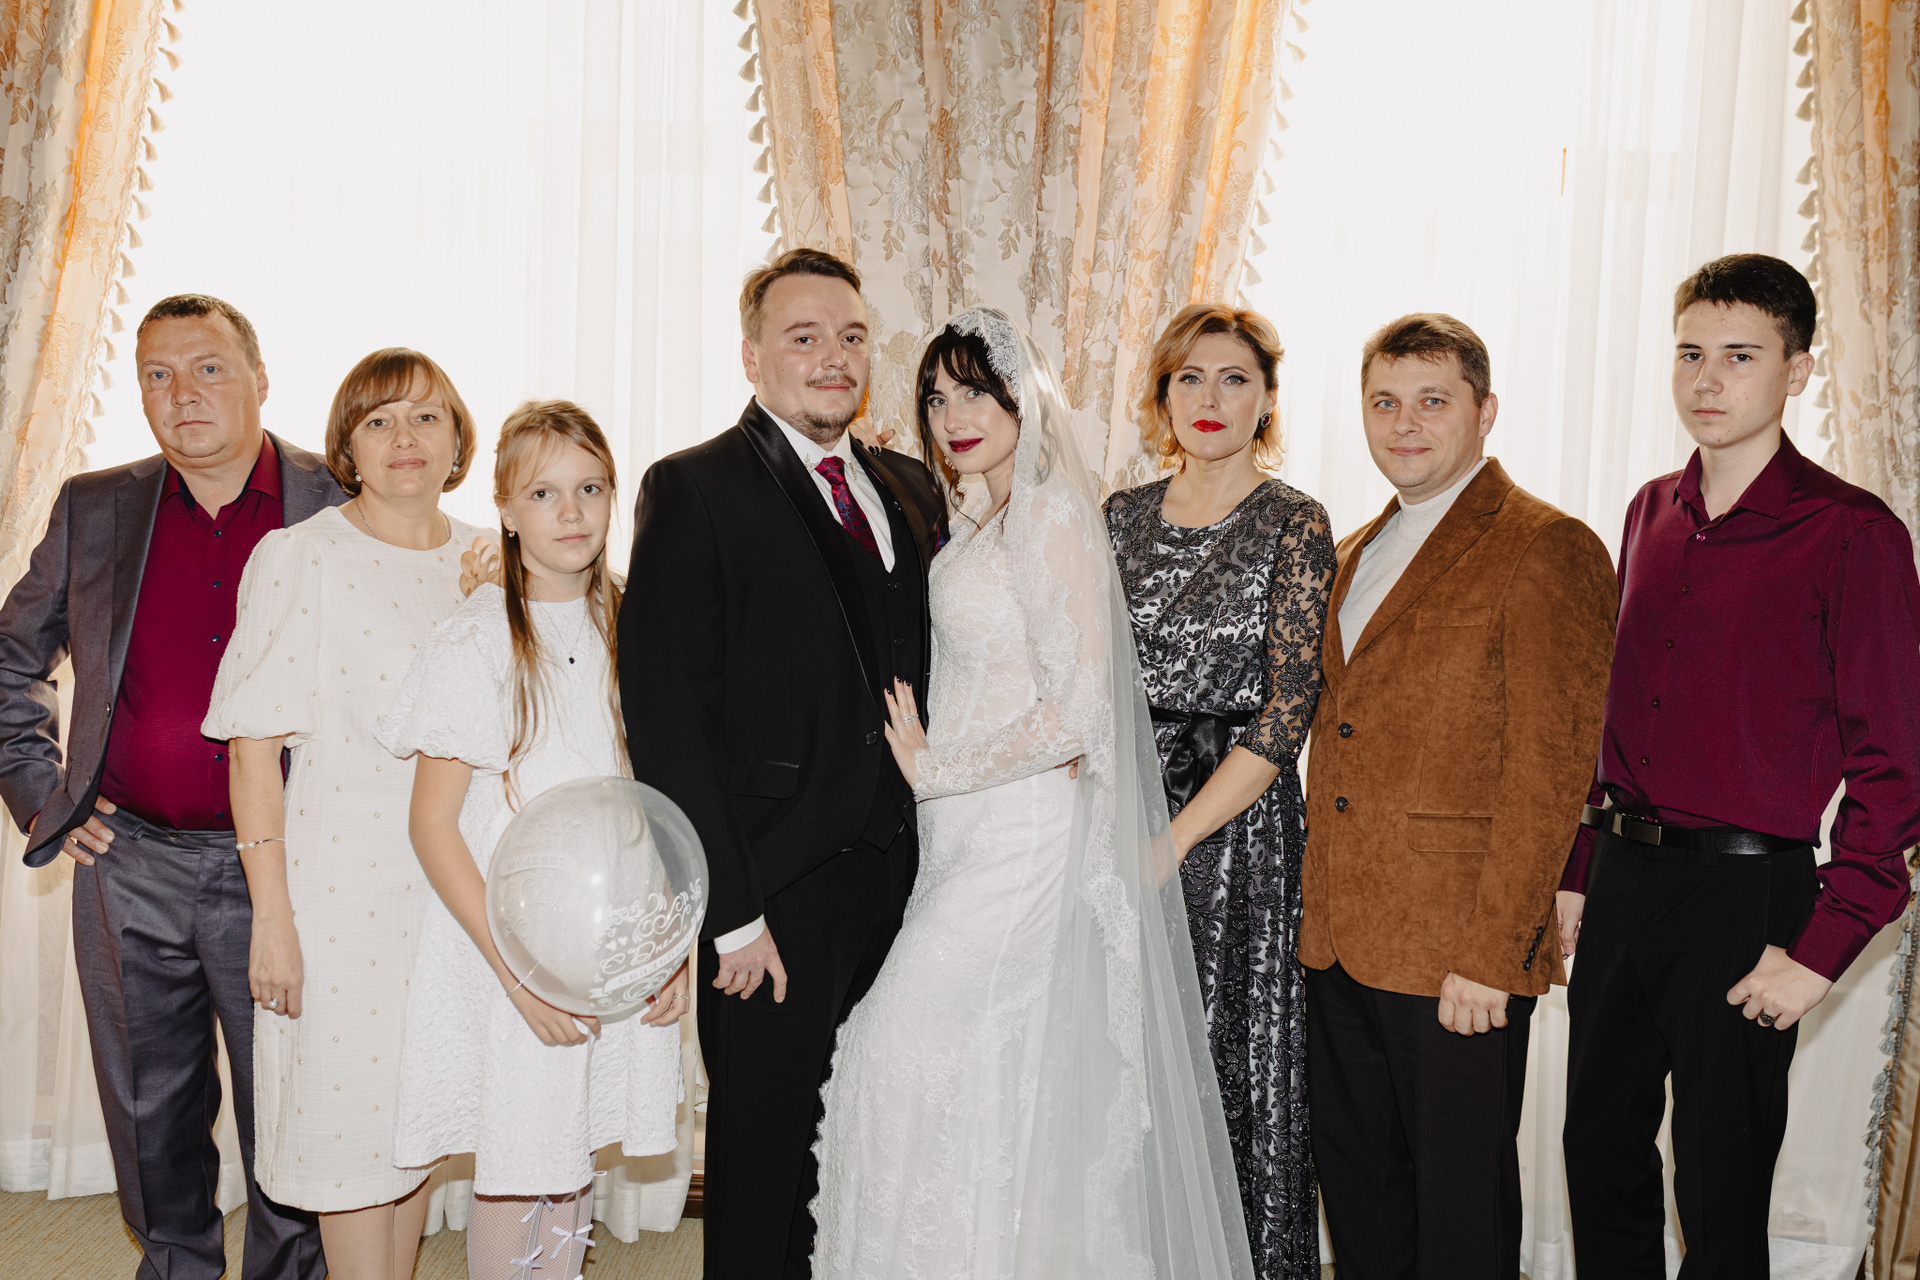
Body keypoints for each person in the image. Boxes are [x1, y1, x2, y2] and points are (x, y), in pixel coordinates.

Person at [808, 307, 1253, 1278]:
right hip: (961, 838)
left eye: (975, 391)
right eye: (936, 397)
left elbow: (1079, 710)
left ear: (1023, 398)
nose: (953, 416)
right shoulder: (978, 517)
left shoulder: (1049, 515)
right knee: (983, 1068)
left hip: (1023, 837)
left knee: (897, 1043)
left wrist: (935, 767)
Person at [1559, 254, 1920, 1276]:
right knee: (1597, 1155)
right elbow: (1612, 714)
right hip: (1623, 879)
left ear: (1797, 370)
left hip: (1746, 894)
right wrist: (1580, 871)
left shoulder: (1853, 532)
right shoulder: (1649, 509)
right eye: (1689, 353)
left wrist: (1821, 947)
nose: (1707, 379)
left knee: (1719, 1186)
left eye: (1740, 355)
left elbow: (1896, 762)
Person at [620, 247, 946, 1279]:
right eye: (804, 337)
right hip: (773, 892)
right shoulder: (694, 485)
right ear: (753, 356)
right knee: (763, 1165)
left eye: (851, 337)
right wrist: (730, 913)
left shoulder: (908, 485)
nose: (833, 357)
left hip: (909, 876)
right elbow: (666, 716)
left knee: (867, 1149)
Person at [0, 294, 334, 1280]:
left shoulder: (337, 499)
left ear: (260, 379)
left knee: (294, 1106)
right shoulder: (95, 505)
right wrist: (44, 792)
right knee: (149, 1111)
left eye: (208, 367)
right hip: (130, 864)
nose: (183, 392)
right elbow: (9, 660)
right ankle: (177, 1264)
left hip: (292, 872)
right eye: (158, 374)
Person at [1302, 314, 1616, 1279]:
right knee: (1362, 1203)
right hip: (1337, 944)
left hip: (1457, 959)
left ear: (1486, 412)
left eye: (1432, 401)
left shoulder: (1547, 545)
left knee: (1459, 1220)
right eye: (1384, 402)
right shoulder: (1350, 550)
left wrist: (1492, 956)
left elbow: (1551, 771)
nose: (1405, 424)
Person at [376, 399, 691, 1280]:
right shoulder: (479, 640)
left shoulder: (633, 624)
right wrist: (515, 972)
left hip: (608, 934)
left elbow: (651, 802)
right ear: (506, 511)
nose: (572, 512)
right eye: (544, 493)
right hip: (508, 949)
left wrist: (663, 948)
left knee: (571, 1153)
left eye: (590, 488)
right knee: (523, 1161)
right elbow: (432, 824)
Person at [203, 348, 493, 1280]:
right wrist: (272, 920)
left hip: (456, 903)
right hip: (341, 908)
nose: (404, 438)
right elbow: (252, 749)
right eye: (378, 420)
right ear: (347, 447)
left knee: (413, 1142)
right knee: (350, 1154)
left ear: (458, 441)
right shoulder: (303, 557)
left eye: (426, 416)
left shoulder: (491, 558)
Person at [1105, 302, 1333, 1278]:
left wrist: (1174, 840)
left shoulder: (1295, 522)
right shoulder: (1120, 516)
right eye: (1189, 377)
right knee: (1125, 1062)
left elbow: (1286, 714)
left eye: (1234, 378)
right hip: (1122, 810)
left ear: (1267, 399)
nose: (1210, 397)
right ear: (1163, 398)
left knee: (1224, 1064)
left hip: (1238, 832)